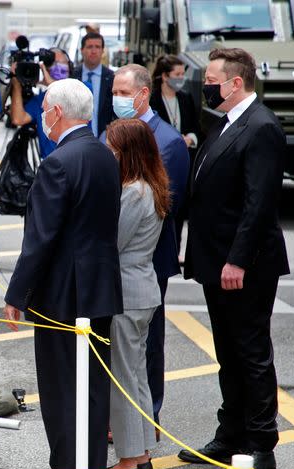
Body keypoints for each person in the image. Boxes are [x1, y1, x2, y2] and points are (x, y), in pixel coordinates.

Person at [3, 78, 123, 469]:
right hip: (99, 290)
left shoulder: (59, 162)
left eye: (46, 109)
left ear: (56, 112)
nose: (42, 117)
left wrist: (17, 293)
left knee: (60, 390)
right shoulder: (105, 155)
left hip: (62, 294)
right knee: (91, 390)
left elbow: (41, 238)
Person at [178, 48, 289, 469]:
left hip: (245, 265)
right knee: (228, 352)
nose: (205, 85)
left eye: (211, 78)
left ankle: (261, 445)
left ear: (235, 82)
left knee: (251, 352)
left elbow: (258, 203)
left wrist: (237, 260)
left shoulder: (261, 126)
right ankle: (231, 434)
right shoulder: (226, 122)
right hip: (216, 262)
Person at [110, 64, 189, 429]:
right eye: (115, 92)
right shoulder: (118, 133)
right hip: (124, 262)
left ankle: (147, 415)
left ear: (144, 94)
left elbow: (161, 206)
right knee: (123, 350)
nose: (117, 99)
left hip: (146, 259)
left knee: (145, 347)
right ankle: (126, 420)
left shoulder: (167, 141)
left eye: (125, 93)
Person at [104, 118, 169, 469]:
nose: (109, 152)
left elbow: (114, 242)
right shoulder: (150, 186)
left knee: (124, 379)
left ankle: (129, 459)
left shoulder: (133, 192)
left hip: (128, 293)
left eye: (114, 147)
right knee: (137, 376)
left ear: (127, 151)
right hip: (142, 290)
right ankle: (141, 451)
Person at [150, 54, 202, 249]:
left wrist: (190, 138)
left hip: (183, 159)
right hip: (160, 160)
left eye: (183, 74)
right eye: (177, 74)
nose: (181, 78)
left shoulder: (185, 98)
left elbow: (196, 127)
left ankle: (176, 246)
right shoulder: (153, 99)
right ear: (165, 76)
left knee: (180, 206)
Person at [8, 48, 71, 159]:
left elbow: (64, 93)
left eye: (62, 63)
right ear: (45, 69)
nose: (58, 66)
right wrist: (16, 84)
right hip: (51, 164)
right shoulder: (41, 99)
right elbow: (18, 119)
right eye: (54, 63)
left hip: (76, 162)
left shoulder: (83, 89)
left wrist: (49, 82)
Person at [72, 32, 115, 137]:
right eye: (90, 47)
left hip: (103, 138)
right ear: (82, 50)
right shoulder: (72, 75)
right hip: (76, 138)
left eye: (98, 47)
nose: (94, 51)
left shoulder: (112, 78)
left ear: (102, 51)